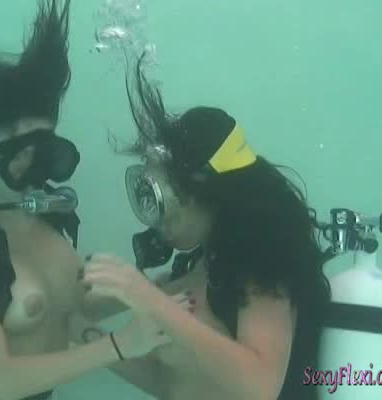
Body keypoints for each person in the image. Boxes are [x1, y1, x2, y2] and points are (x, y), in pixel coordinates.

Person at [0, 2, 169, 400]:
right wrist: (119, 345)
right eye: (19, 150)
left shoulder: (49, 214)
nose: (34, 163)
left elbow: (75, 304)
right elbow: (2, 382)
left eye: (44, 146)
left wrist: (165, 288)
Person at [75, 55, 332, 400]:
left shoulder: (263, 265)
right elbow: (171, 384)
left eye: (160, 200)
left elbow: (260, 386)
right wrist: (82, 336)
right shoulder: (200, 268)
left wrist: (149, 299)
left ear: (204, 195)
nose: (156, 219)